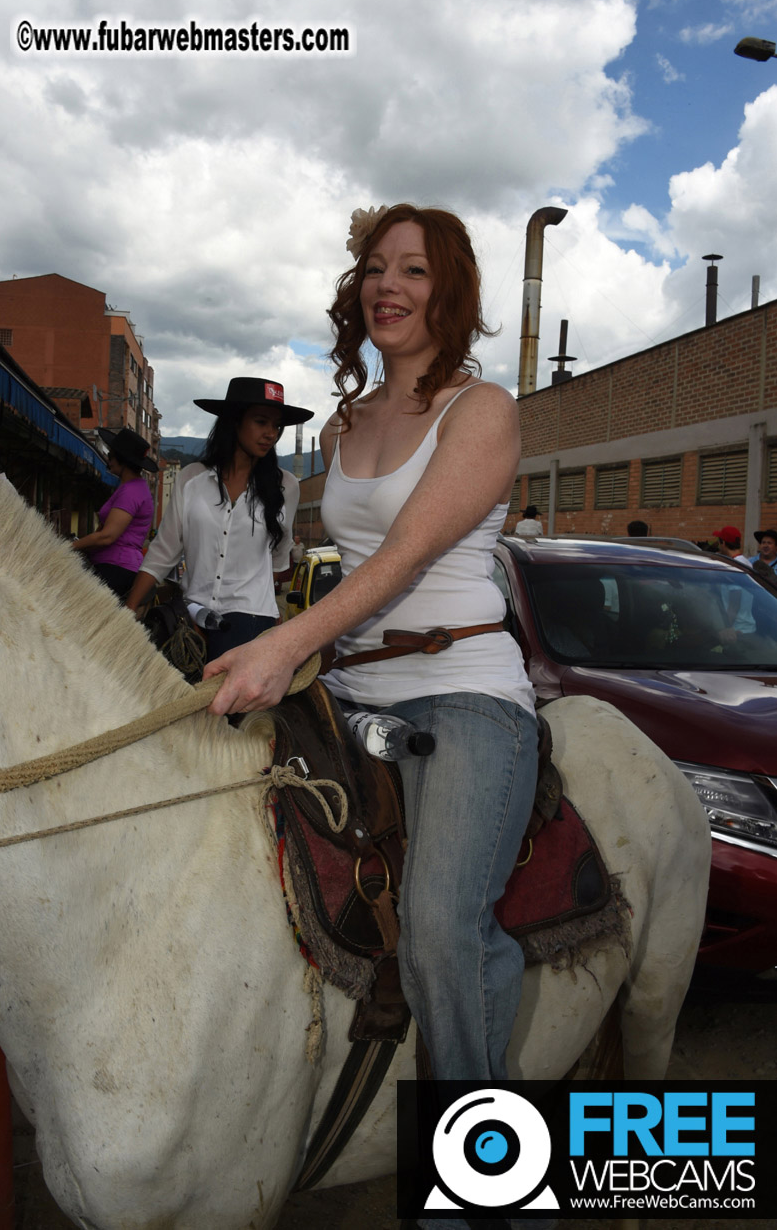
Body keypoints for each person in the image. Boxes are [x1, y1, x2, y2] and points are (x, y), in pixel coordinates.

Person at [203, 205, 538, 1102]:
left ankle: (480, 1163)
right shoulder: (347, 422)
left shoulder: (484, 409)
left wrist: (284, 640)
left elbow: (403, 558)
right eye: (377, 268)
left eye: (416, 271)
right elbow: (342, 564)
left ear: (453, 291)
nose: (390, 285)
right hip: (350, 692)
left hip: (463, 692)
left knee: (438, 926)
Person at [125, 379, 312, 659]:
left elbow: (278, 559)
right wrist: (126, 613)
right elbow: (162, 552)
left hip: (249, 621)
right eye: (261, 422)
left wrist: (272, 616)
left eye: (277, 426)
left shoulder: (286, 486)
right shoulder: (191, 478)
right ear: (234, 422)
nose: (271, 433)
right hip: (188, 616)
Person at [72, 427, 156, 600]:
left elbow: (107, 536)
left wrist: (68, 547)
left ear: (122, 460)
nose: (108, 460)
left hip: (116, 568)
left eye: (111, 455)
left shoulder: (131, 491)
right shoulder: (131, 488)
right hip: (116, 565)